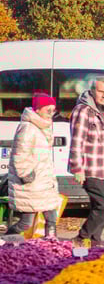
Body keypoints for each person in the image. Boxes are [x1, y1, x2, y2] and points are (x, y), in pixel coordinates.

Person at [69, 77, 104, 247]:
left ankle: (95, 243)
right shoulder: (83, 111)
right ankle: (80, 237)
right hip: (90, 167)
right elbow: (77, 141)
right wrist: (77, 168)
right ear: (92, 90)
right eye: (101, 92)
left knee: (100, 206)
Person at [5, 93, 62, 237]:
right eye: (48, 110)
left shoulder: (42, 126)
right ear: (37, 110)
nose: (51, 113)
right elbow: (20, 154)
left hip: (44, 182)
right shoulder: (28, 128)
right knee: (26, 222)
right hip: (32, 183)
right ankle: (6, 239)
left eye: (53, 110)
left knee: (51, 218)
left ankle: (51, 244)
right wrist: (26, 174)